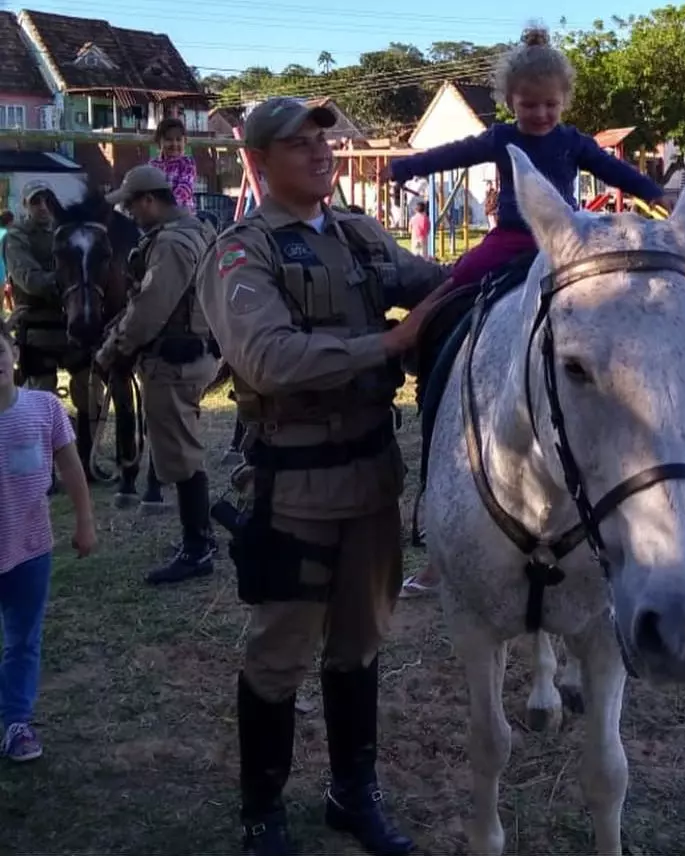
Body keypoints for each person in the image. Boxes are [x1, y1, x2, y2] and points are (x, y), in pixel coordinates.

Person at [196, 96, 455, 856]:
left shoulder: (358, 236)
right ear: (257, 161)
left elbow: (439, 281)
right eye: (299, 143)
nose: (322, 153)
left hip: (373, 479)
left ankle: (353, 794)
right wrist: (390, 343)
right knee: (279, 651)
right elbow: (267, 359)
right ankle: (262, 810)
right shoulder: (243, 253)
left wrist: (523, 253)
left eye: (324, 140)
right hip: (297, 487)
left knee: (360, 644)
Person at [387, 25, 667, 290]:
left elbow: (611, 168)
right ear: (510, 101)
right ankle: (425, 331)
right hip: (513, 237)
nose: (541, 113)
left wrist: (650, 191)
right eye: (529, 105)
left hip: (566, 237)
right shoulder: (501, 138)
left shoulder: (572, 142)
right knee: (461, 275)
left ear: (564, 101)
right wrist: (404, 167)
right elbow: (452, 154)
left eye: (550, 104)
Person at [95, 165, 220, 586]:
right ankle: (200, 538)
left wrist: (114, 349)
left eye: (132, 205)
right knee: (185, 451)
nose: (129, 214)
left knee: (180, 457)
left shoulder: (170, 243)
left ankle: (198, 547)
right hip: (192, 354)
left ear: (150, 200)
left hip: (174, 360)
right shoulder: (196, 230)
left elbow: (149, 310)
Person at [0, 320, 96, 762]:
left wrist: (85, 522)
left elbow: (72, 470)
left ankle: (16, 722)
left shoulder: (44, 409)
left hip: (30, 548)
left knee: (23, 639)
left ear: (13, 354)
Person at [4, 181, 104, 477]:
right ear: (25, 205)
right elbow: (29, 279)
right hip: (37, 328)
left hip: (70, 326)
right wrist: (71, 282)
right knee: (40, 399)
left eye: (47, 200)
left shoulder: (66, 230)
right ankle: (42, 470)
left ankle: (89, 460)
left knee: (89, 391)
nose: (43, 207)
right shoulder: (17, 237)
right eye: (36, 201)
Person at [150, 117, 197, 214]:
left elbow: (185, 188)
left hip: (181, 214)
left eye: (179, 140)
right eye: (168, 139)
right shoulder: (153, 164)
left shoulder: (187, 163)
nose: (174, 144)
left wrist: (167, 206)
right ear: (159, 142)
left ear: (185, 142)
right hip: (156, 214)